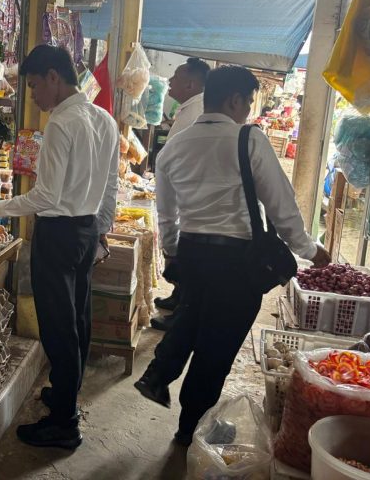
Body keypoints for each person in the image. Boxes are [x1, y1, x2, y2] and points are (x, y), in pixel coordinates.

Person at [134, 66, 330, 446]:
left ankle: (160, 374)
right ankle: (192, 425)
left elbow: (166, 212)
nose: (248, 111)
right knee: (217, 345)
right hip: (236, 262)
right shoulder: (248, 140)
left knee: (194, 317)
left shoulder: (173, 145)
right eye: (249, 103)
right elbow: (280, 205)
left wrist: (173, 252)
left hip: (192, 253)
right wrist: (308, 249)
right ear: (235, 99)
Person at [0, 45, 119, 450]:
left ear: (54, 77)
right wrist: (101, 230)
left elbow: (46, 197)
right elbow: (109, 187)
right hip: (86, 232)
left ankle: (64, 423)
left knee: (58, 327)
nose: (33, 96)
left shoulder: (61, 125)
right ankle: (65, 392)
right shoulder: (104, 120)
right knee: (78, 319)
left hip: (58, 234)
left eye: (34, 86)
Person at [152, 57, 211, 330]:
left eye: (175, 76)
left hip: (187, 197)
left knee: (185, 261)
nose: (170, 81)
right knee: (184, 263)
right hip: (186, 194)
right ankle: (178, 298)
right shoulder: (190, 108)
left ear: (191, 83)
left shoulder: (195, 112)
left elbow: (175, 160)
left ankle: (180, 315)